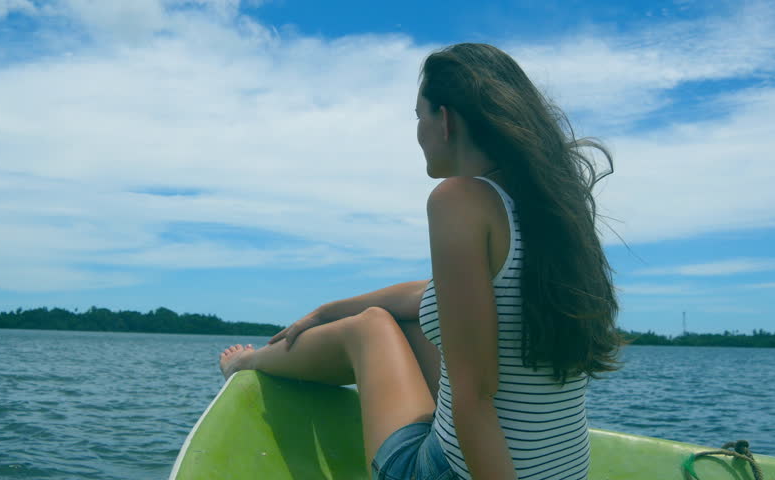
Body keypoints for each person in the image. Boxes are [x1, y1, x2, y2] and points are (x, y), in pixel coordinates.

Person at [219, 43, 622, 480]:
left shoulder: (460, 198)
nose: (418, 132)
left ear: (445, 120)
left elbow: (476, 394)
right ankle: (270, 354)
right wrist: (323, 312)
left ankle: (249, 363)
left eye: (418, 116)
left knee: (370, 325)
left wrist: (335, 317)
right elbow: (428, 295)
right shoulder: (550, 215)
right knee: (406, 322)